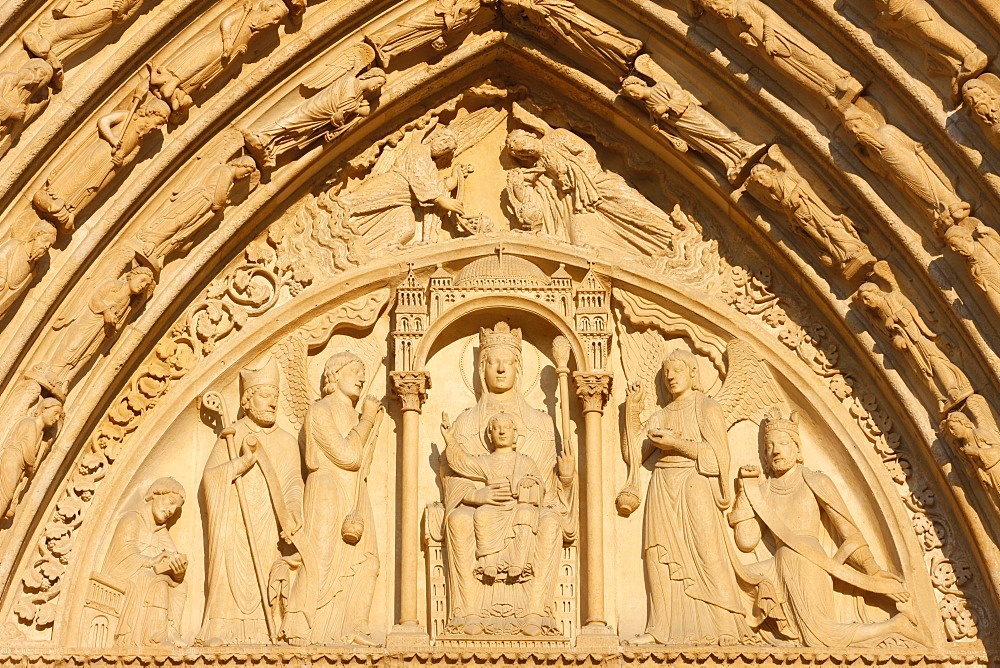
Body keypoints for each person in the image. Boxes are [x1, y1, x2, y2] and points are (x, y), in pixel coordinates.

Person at [729, 413, 924, 647]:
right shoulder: (763, 491)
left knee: (820, 637)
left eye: (783, 443)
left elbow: (848, 532)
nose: (775, 450)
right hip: (776, 566)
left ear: (797, 449)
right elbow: (746, 541)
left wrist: (873, 573)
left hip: (808, 563)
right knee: (731, 587)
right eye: (769, 445)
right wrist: (744, 492)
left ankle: (895, 625)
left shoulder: (814, 481)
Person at [442, 322, 575, 636]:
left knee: (550, 523)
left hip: (527, 508)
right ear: (480, 367)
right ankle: (467, 615)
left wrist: (566, 480)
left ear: (519, 367)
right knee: (460, 520)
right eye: (492, 361)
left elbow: (547, 489)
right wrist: (477, 496)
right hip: (486, 509)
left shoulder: (541, 425)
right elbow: (454, 475)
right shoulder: (465, 422)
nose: (500, 369)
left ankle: (536, 615)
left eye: (508, 362)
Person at [625, 349, 750, 645]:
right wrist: (631, 410)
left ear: (693, 374)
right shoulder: (660, 415)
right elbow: (634, 454)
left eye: (677, 369)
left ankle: (725, 626)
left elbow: (718, 458)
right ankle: (660, 629)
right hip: (662, 485)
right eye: (667, 371)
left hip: (695, 484)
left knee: (708, 552)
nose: (670, 376)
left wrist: (678, 444)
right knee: (658, 553)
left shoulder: (706, 407)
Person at [198, 358, 303, 645]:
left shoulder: (286, 441)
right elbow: (211, 478)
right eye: (266, 396)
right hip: (233, 521)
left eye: (276, 396)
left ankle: (260, 630)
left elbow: (294, 481)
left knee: (265, 570)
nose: (273, 403)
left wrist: (293, 512)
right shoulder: (232, 435)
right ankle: (221, 628)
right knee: (229, 570)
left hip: (268, 522)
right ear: (247, 400)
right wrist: (240, 464)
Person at [282, 351, 383, 646]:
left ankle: (354, 626)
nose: (362, 377)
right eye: (355, 370)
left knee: (368, 560)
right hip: (327, 490)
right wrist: (366, 421)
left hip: (355, 493)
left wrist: (369, 423)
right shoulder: (320, 411)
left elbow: (362, 461)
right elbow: (347, 455)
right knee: (320, 559)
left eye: (363, 372)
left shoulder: (355, 415)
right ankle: (302, 623)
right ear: (334, 375)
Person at [442, 411, 544, 582]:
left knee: (526, 514)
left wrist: (528, 482)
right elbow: (463, 463)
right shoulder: (486, 461)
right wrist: (450, 439)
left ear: (515, 434)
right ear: (490, 435)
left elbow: (539, 484)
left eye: (506, 428)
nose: (502, 432)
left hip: (518, 505)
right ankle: (488, 562)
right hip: (494, 506)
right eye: (497, 429)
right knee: (482, 514)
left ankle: (520, 563)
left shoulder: (525, 461)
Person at [100, 477, 187, 647]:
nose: (170, 511)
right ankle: (154, 638)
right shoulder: (132, 519)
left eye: (174, 509)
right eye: (170, 502)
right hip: (127, 576)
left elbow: (172, 557)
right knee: (156, 581)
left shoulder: (160, 531)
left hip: (146, 576)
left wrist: (178, 571)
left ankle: (172, 632)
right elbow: (122, 557)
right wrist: (152, 561)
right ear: (156, 493)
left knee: (181, 586)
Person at [0, 396, 63, 518]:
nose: (56, 418)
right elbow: (28, 453)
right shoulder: (29, 423)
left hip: (19, 466)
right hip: (12, 461)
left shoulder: (41, 433)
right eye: (55, 413)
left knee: (8, 496)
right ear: (44, 409)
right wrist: (30, 467)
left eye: (58, 416)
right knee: (5, 494)